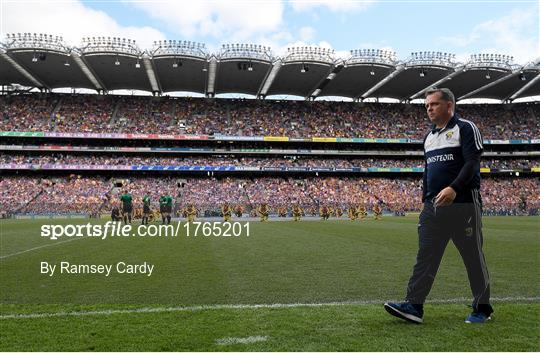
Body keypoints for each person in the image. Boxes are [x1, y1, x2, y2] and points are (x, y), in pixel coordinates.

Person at [384, 88, 493, 324]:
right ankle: (414, 305)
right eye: (426, 106)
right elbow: (428, 173)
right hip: (433, 208)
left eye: (433, 104)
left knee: (472, 257)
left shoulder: (465, 128)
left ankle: (482, 308)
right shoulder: (429, 138)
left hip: (463, 205)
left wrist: (454, 188)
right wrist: (425, 200)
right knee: (426, 257)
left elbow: (473, 162)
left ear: (449, 105)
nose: (429, 109)